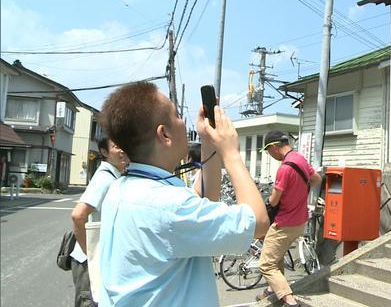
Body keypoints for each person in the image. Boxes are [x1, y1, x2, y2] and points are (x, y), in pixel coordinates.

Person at [97, 82, 269, 306]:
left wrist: (208, 141)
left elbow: (203, 199)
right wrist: (231, 154)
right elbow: (258, 222)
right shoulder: (168, 206)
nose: (183, 122)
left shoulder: (122, 188)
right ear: (164, 134)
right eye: (177, 116)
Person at [257, 130, 321, 306]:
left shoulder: (284, 169)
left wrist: (266, 201)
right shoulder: (299, 158)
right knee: (276, 255)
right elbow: (316, 179)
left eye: (268, 151)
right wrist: (300, 191)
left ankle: (290, 301)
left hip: (284, 223)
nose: (270, 155)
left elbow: (274, 200)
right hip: (300, 221)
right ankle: (272, 289)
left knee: (266, 264)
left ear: (274, 147)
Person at [70, 137, 128, 307]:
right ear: (104, 152)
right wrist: (91, 255)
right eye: (117, 146)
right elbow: (78, 215)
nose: (123, 150)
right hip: (90, 262)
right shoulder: (105, 178)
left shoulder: (115, 176)